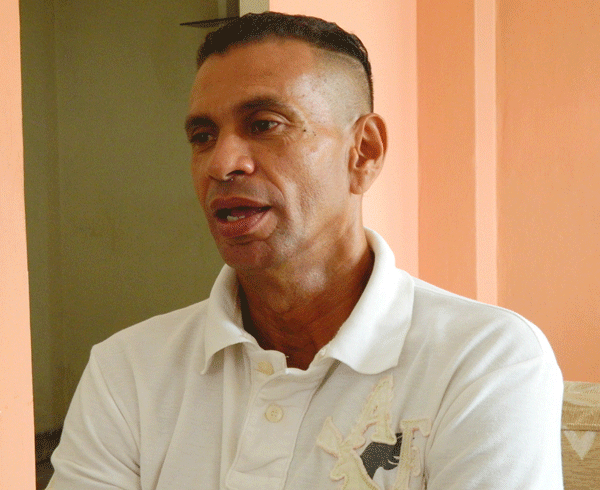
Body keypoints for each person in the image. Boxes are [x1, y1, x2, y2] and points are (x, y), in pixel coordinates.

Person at [48, 12, 564, 490]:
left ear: (363, 152)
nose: (221, 164)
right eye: (203, 136)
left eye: (264, 124)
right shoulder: (128, 371)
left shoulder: (483, 361)